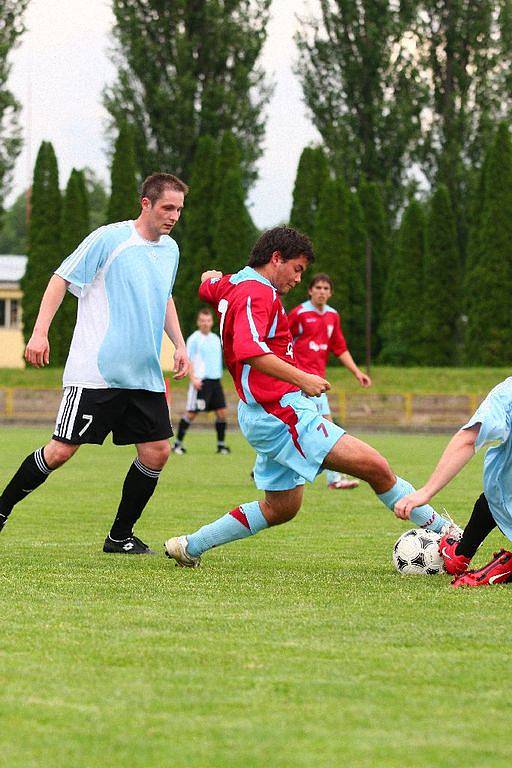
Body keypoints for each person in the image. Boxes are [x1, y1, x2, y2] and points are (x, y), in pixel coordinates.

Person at [164, 226, 459, 567]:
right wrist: (303, 377)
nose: (298, 279)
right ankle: (450, 535)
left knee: (281, 508)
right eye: (297, 269)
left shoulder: (233, 284)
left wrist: (208, 277)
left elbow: (207, 285)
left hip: (263, 412)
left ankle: (189, 546)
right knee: (376, 468)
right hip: (281, 413)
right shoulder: (256, 293)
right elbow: (249, 349)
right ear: (276, 259)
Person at [0, 172, 190, 554]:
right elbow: (60, 279)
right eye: (167, 207)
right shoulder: (110, 239)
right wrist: (39, 333)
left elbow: (164, 297)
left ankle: (119, 537)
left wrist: (180, 344)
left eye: (179, 209)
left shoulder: (170, 250)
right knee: (60, 451)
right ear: (146, 203)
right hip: (96, 374)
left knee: (157, 452)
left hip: (144, 377)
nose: (173, 216)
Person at [395, 377, 512, 587]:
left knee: (501, 488)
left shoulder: (507, 393)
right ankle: (461, 552)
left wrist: (426, 491)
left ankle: (483, 561)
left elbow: (468, 439)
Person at [288, 273, 371, 490]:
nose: (322, 291)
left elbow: (339, 347)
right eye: (318, 287)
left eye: (326, 288)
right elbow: (283, 341)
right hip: (299, 381)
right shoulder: (299, 313)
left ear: (331, 293)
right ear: (310, 290)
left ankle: (333, 479)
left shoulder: (333, 316)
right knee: (304, 428)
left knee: (325, 428)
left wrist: (357, 372)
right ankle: (331, 478)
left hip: (318, 384)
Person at [172, 307, 230, 455]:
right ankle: (177, 444)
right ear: (198, 322)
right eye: (203, 321)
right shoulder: (194, 339)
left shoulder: (216, 339)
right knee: (192, 413)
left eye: (208, 320)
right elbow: (188, 360)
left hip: (215, 382)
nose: (205, 323)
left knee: (222, 412)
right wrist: (193, 379)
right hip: (200, 382)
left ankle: (221, 445)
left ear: (212, 322)